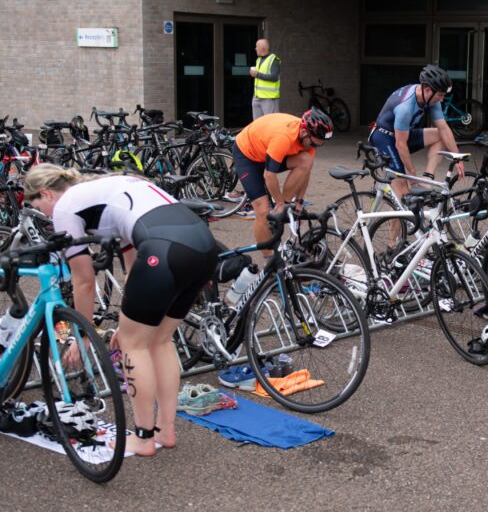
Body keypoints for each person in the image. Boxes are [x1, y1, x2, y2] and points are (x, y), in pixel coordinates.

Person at [23, 165, 220, 456]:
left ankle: (143, 438)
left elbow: (84, 281)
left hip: (167, 249)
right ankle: (166, 431)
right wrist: (130, 323)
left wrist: (84, 334)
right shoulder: (107, 188)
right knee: (159, 340)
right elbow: (132, 268)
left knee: (134, 345)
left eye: (40, 208)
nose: (48, 218)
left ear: (46, 194)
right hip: (202, 245)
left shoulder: (65, 206)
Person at [231, 109, 333, 250]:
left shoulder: (308, 139)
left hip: (267, 150)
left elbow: (306, 171)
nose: (316, 147)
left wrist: (298, 202)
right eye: (315, 144)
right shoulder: (284, 137)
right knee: (263, 210)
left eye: (320, 145)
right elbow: (269, 175)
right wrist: (278, 202)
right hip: (248, 155)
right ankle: (269, 259)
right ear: (304, 132)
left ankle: (284, 205)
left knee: (306, 161)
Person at [368, 64, 465, 197]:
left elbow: (443, 128)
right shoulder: (405, 108)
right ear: (427, 90)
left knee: (439, 135)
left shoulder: (431, 96)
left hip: (401, 136)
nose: (442, 99)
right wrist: (412, 177)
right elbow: (400, 145)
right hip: (384, 139)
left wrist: (457, 158)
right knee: (404, 197)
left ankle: (427, 179)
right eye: (441, 95)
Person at [251, 38, 281, 119]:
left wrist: (257, 74)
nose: (255, 48)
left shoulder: (274, 60)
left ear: (262, 48)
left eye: (257, 46)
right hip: (257, 97)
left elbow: (274, 77)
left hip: (269, 99)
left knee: (270, 124)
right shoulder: (258, 59)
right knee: (257, 124)